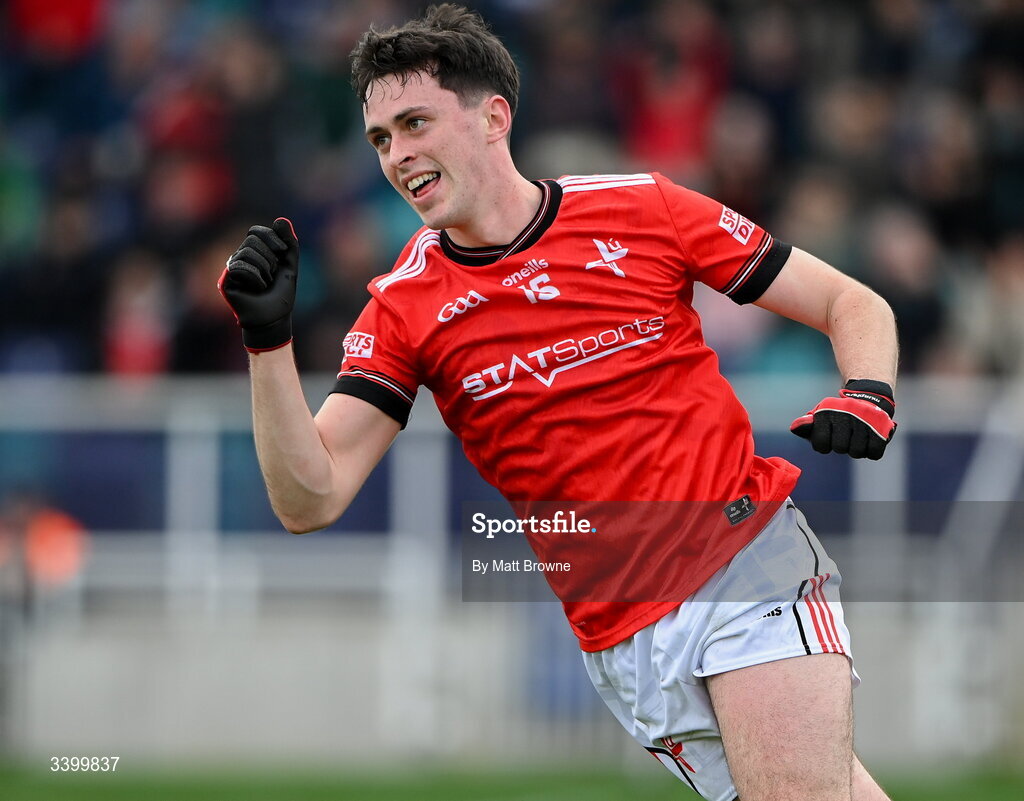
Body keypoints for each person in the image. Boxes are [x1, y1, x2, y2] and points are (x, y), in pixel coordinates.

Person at [218, 5, 898, 800]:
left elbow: (851, 302)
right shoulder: (403, 306)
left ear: (493, 117)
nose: (398, 156)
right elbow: (312, 497)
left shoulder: (643, 207)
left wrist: (868, 393)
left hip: (745, 568)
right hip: (622, 638)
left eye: (414, 123)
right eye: (380, 139)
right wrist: (268, 346)